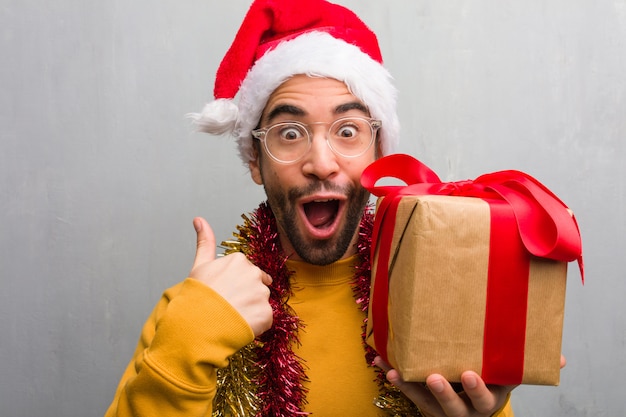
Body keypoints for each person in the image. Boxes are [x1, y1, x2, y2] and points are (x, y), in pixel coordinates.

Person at [105, 0, 518, 415]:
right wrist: (191, 336)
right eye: (289, 133)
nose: (321, 163)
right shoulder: (194, 311)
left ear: (379, 153)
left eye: (348, 130)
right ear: (254, 160)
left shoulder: (441, 296)